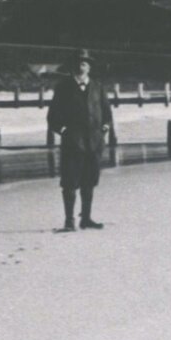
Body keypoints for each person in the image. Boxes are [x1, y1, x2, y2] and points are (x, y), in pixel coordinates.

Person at [45, 50, 114, 232]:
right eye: (77, 62)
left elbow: (107, 115)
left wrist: (103, 131)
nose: (80, 65)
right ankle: (69, 221)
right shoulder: (63, 87)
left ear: (89, 66)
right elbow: (52, 117)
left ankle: (86, 218)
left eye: (84, 63)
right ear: (72, 66)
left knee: (89, 182)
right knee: (69, 182)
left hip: (94, 143)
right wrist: (64, 131)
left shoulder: (98, 87)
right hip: (72, 144)